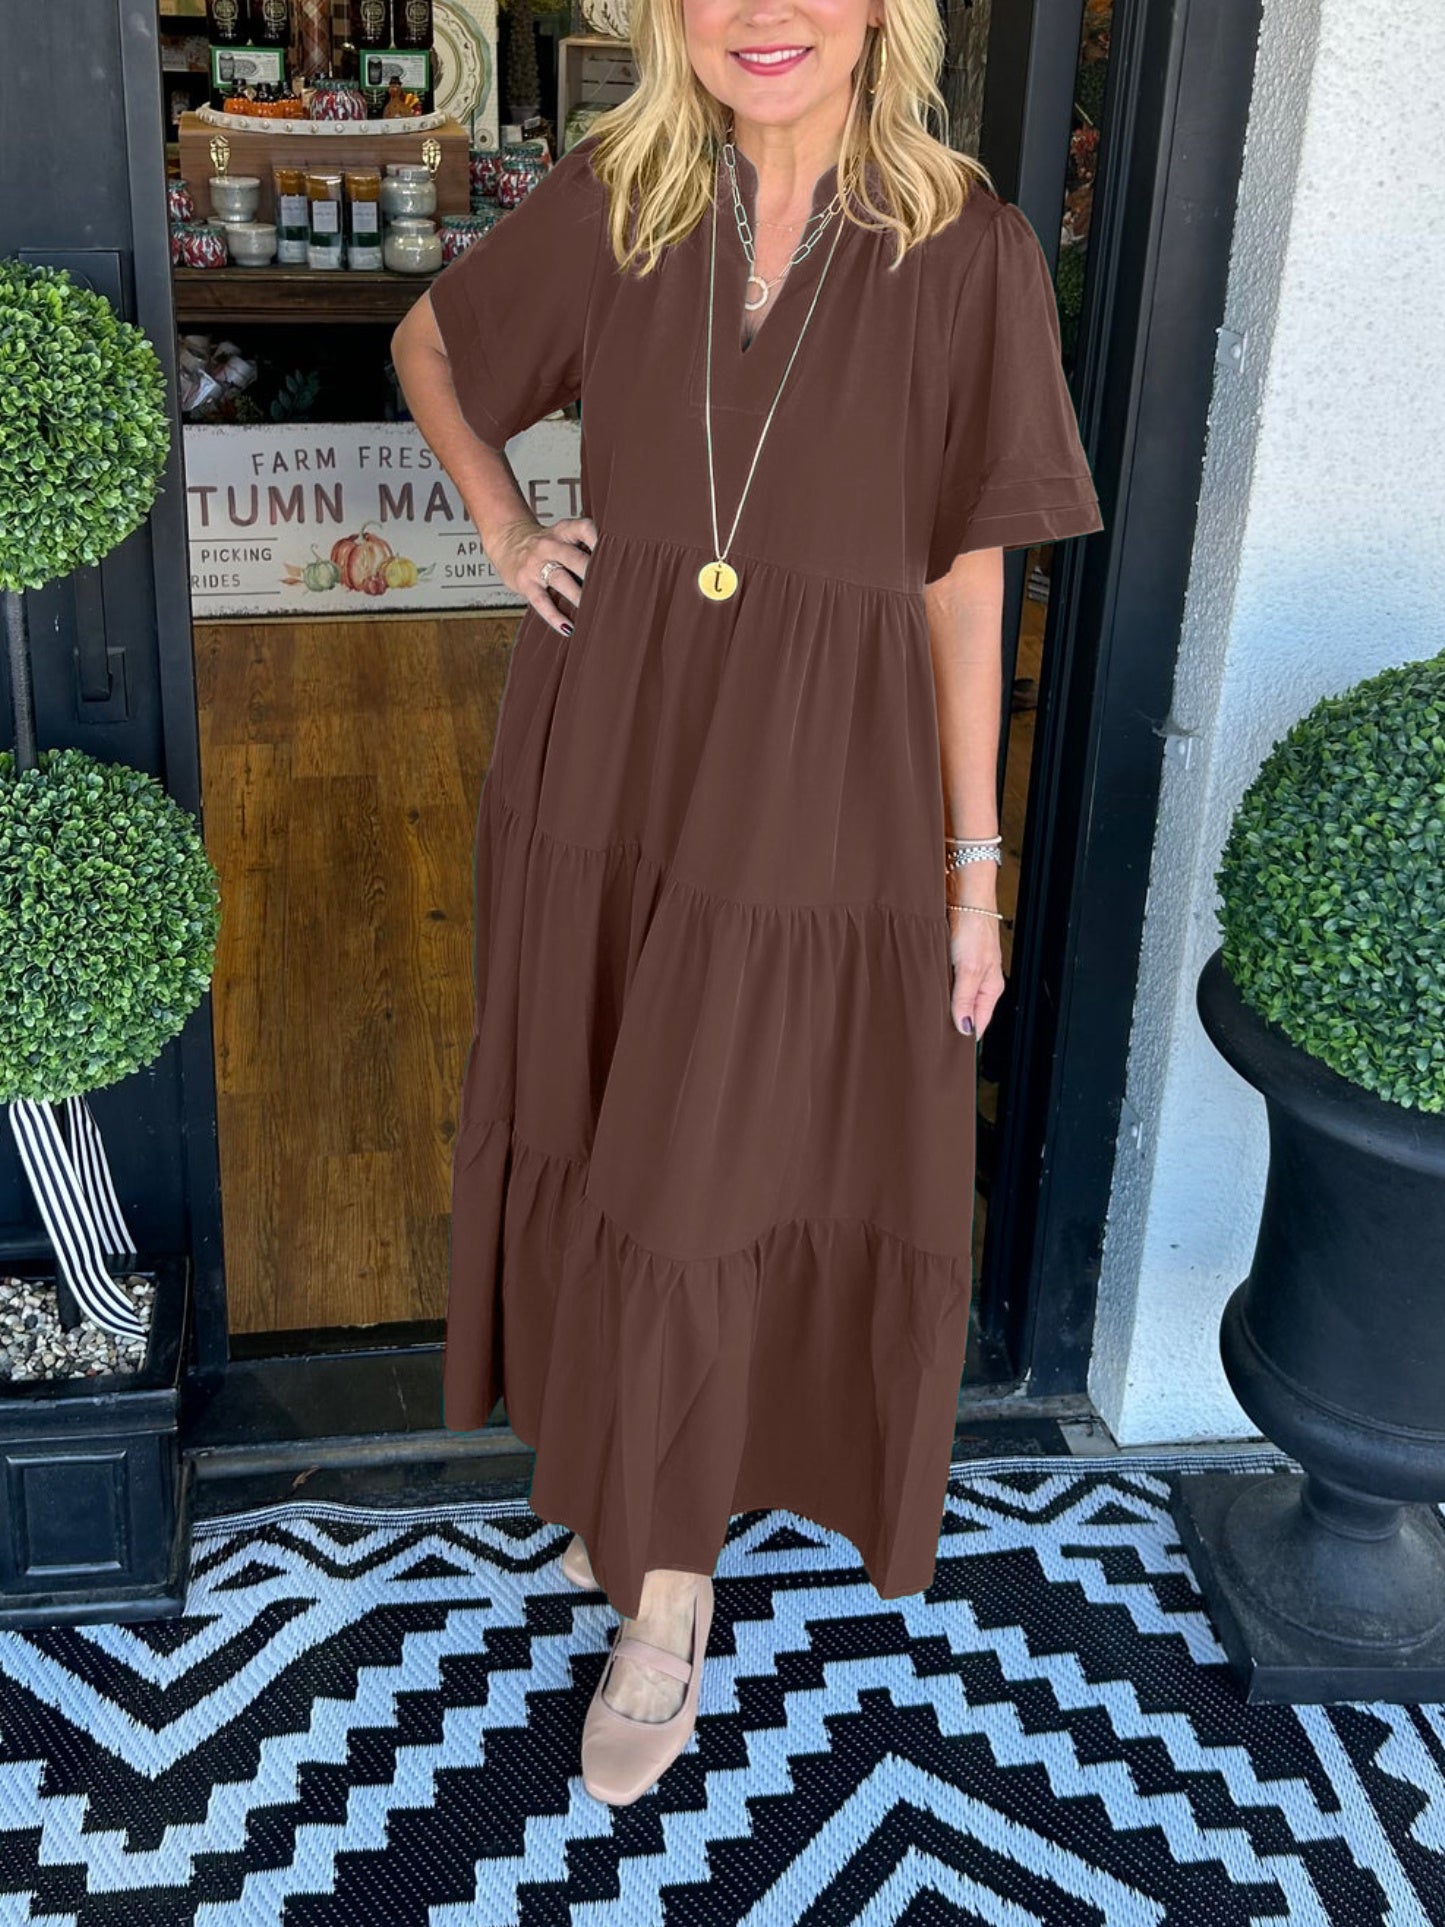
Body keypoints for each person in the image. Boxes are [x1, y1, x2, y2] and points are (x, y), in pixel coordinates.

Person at [391, 0, 1103, 1807]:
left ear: (881, 11)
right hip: (607, 748)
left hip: (816, 781)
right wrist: (503, 528)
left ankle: (670, 1589)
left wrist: (972, 873)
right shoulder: (623, 198)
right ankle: (618, 1483)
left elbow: (965, 582)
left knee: (713, 1165)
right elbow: (432, 343)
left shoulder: (967, 246)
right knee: (600, 1125)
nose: (762, 14)